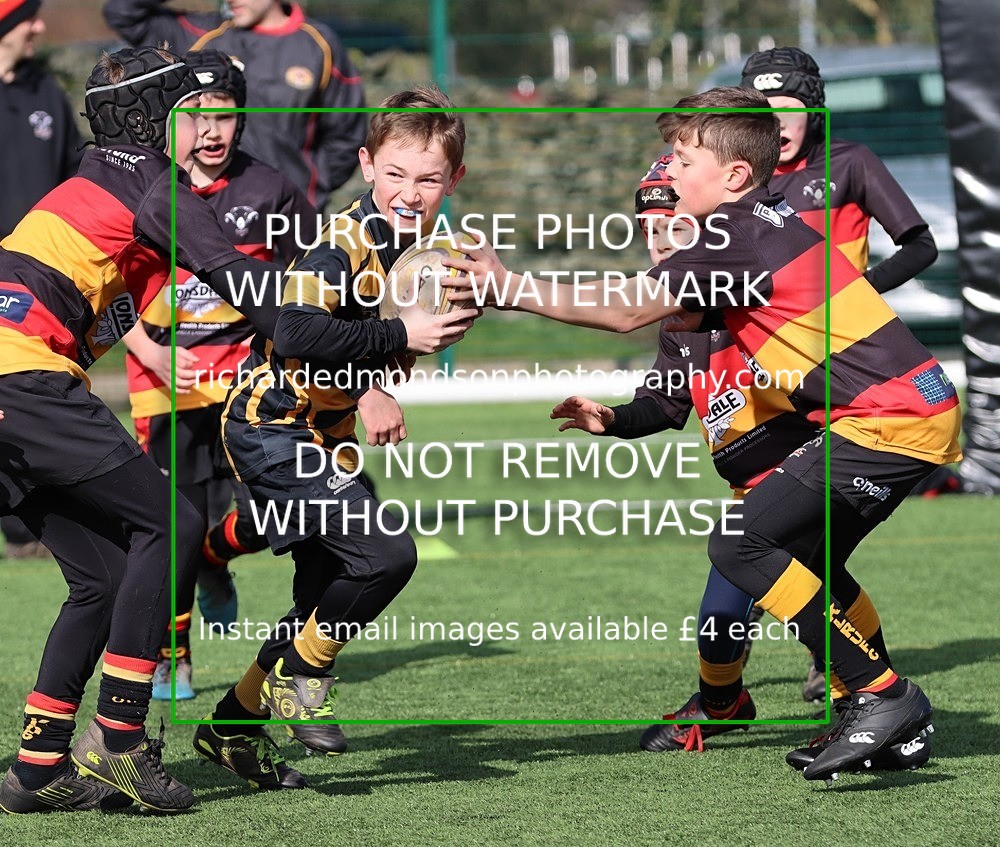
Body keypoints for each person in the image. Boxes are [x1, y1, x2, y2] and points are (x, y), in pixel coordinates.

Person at [447, 86, 959, 781]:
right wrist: (622, 412)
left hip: (890, 416)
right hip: (905, 407)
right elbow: (671, 345)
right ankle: (883, 725)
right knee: (802, 558)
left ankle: (884, 696)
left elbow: (627, 308)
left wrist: (506, 285)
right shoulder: (758, 221)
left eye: (683, 159)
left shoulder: (732, 232)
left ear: (735, 176)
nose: (671, 170)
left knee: (739, 540)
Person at [551, 155, 930, 770]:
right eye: (650, 231)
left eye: (677, 229)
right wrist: (614, 418)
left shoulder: (749, 299)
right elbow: (665, 403)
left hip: (807, 469)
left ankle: (867, 701)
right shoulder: (680, 324)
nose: (662, 243)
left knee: (808, 570)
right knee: (720, 623)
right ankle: (733, 703)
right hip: (751, 488)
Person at [192, 85, 478, 791]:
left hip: (324, 433)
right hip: (271, 424)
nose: (411, 192)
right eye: (396, 174)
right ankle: (302, 668)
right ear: (366, 165)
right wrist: (391, 348)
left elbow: (386, 332)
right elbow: (291, 329)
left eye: (430, 178)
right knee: (386, 554)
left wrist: (417, 336)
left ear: (455, 180)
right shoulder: (343, 241)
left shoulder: (422, 251)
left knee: (325, 589)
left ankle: (233, 723)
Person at [122, 49, 318, 702]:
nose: (211, 130)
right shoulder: (141, 189)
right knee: (169, 520)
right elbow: (94, 284)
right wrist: (148, 351)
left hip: (247, 382)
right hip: (163, 379)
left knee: (284, 510)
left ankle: (215, 557)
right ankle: (170, 652)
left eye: (225, 114)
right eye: (196, 114)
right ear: (169, 117)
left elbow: (309, 284)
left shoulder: (272, 189)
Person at [102, 0, 366, 211]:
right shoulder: (200, 33)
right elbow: (122, 11)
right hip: (204, 215)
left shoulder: (319, 45)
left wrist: (307, 183)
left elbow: (347, 133)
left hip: (286, 219)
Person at [0, 0, 83, 560]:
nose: (39, 26)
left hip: (34, 286)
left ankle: (30, 528)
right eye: (27, 15)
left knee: (33, 399)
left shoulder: (44, 94)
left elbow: (78, 180)